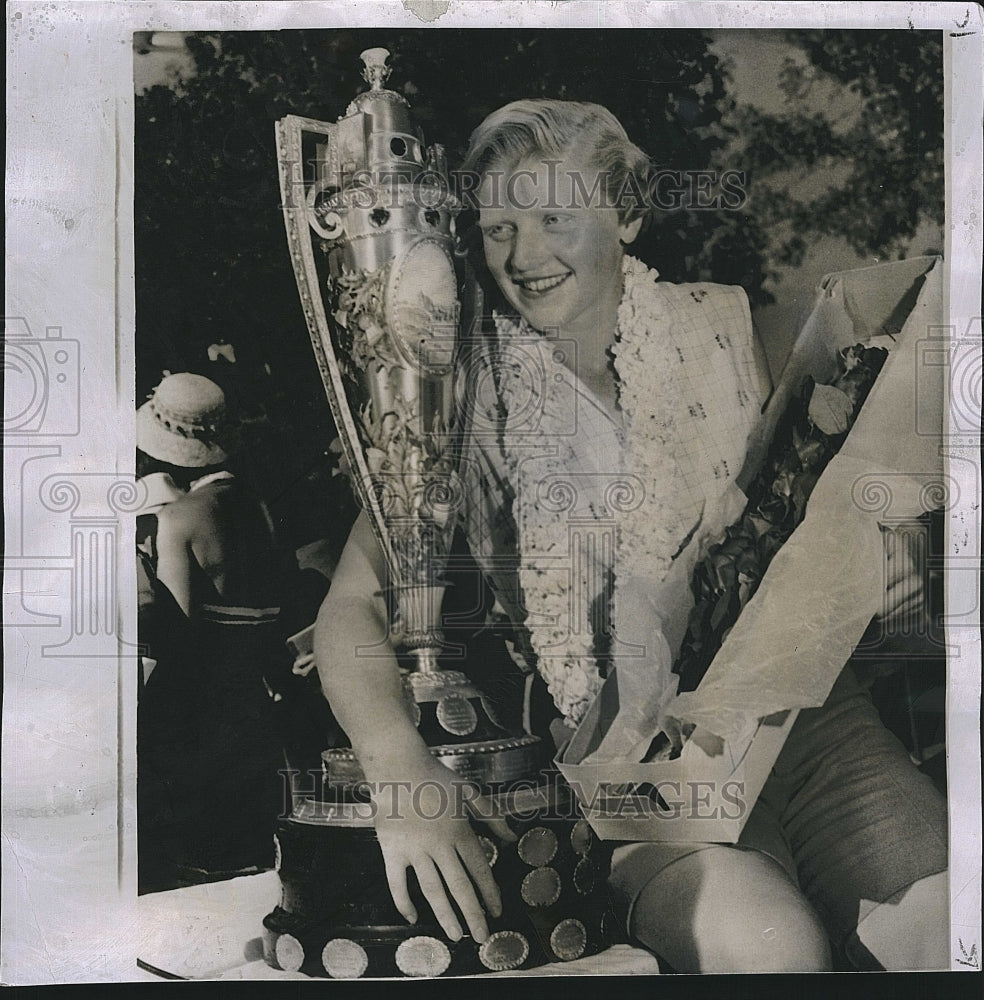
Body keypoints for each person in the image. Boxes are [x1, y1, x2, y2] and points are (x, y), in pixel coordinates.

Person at [314, 101, 948, 971]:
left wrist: (901, 556)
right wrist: (400, 770)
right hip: (637, 780)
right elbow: (350, 604)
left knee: (947, 928)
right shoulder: (462, 395)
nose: (525, 256)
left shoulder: (734, 328)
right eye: (498, 226)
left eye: (555, 219)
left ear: (630, 214)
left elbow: (848, 511)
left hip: (813, 732)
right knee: (772, 949)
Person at [136, 372, 291, 890]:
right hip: (254, 696)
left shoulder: (179, 518)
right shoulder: (260, 506)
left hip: (199, 705)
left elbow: (175, 630)